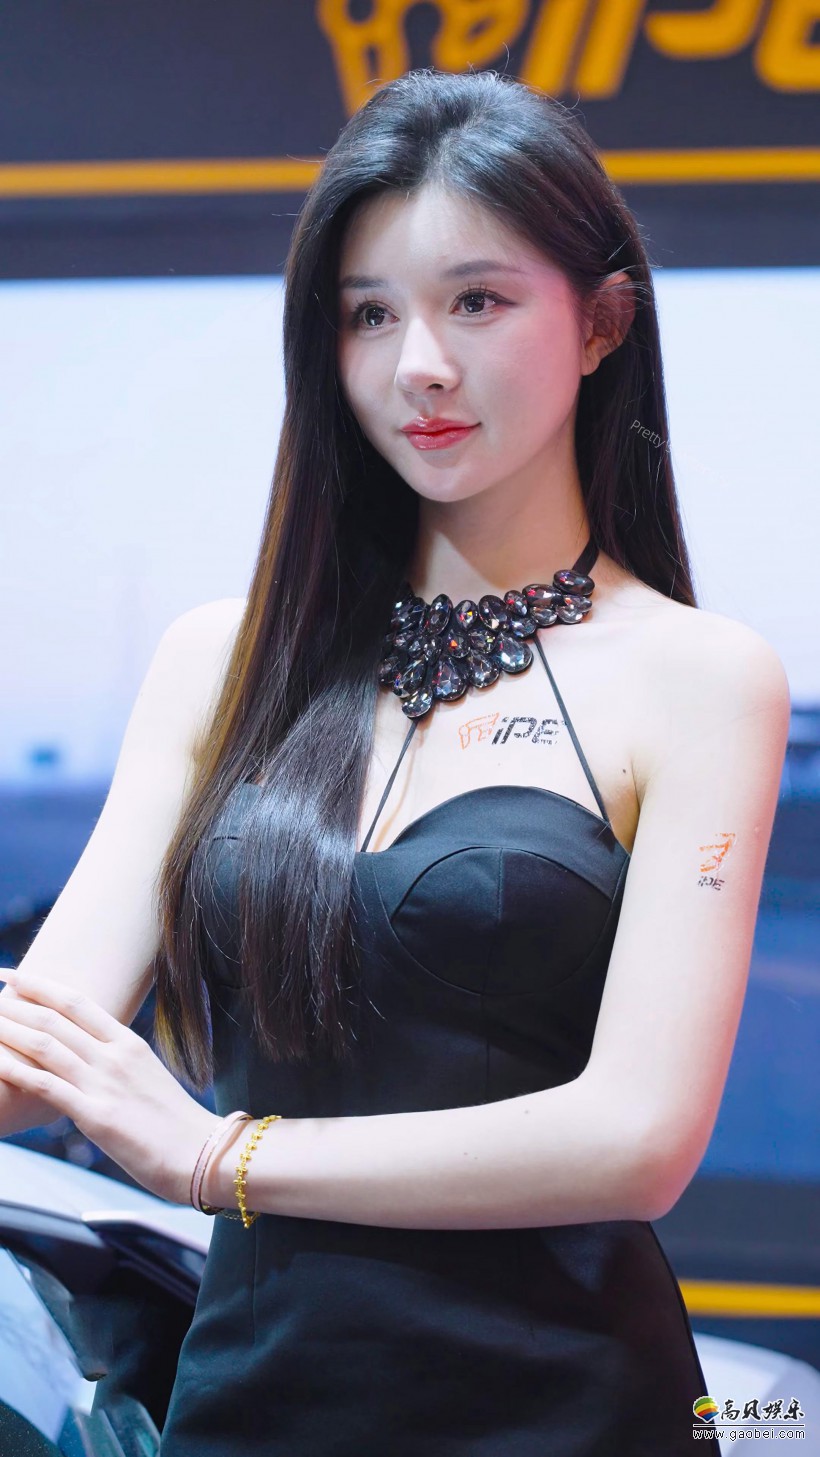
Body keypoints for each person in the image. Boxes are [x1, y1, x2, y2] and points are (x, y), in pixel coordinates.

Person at [0, 68, 790, 1456]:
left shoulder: (701, 677)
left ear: (602, 322)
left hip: (569, 1412)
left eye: (476, 301)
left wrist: (219, 1154)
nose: (418, 362)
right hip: (255, 1405)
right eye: (369, 313)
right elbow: (41, 1044)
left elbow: (638, 1137)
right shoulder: (224, 660)